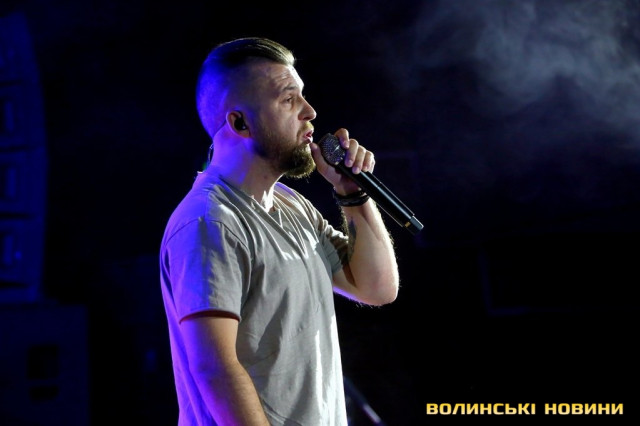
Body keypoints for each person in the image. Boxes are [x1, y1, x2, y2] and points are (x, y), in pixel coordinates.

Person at [159, 37, 400, 425]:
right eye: (289, 99)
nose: (310, 111)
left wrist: (352, 194)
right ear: (240, 123)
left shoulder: (292, 206)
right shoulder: (210, 222)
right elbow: (215, 368)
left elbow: (376, 288)